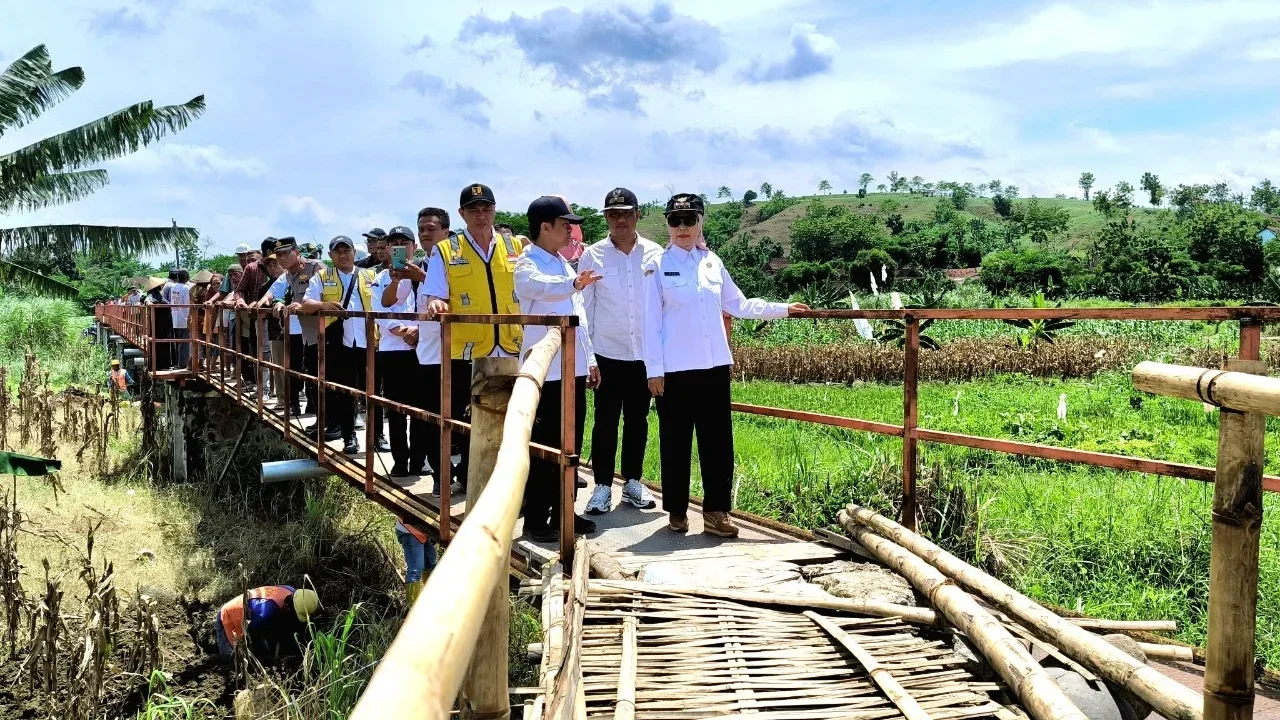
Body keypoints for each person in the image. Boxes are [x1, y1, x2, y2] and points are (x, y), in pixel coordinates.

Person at [643, 194, 809, 538]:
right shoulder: (657, 266)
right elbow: (649, 322)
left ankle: (716, 513)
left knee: (718, 442)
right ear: (668, 226)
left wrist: (783, 308)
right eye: (676, 221)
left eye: (689, 219)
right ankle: (676, 509)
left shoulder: (712, 263)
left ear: (701, 221)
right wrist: (653, 370)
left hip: (714, 367)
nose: (683, 227)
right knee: (675, 441)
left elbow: (739, 304)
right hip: (674, 370)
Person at [421, 184, 524, 492]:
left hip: (509, 345)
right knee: (462, 420)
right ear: (462, 214)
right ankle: (458, 477)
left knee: (508, 419)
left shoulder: (514, 246)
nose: (481, 215)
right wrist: (436, 304)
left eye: (486, 208)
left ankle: (496, 482)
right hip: (467, 348)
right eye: (474, 209)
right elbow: (433, 294)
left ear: (495, 210)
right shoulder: (447, 250)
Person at [514, 196, 601, 543]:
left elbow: (577, 318)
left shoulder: (563, 265)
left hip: (573, 369)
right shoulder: (527, 263)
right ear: (545, 227)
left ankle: (565, 509)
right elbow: (536, 288)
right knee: (545, 446)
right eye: (564, 225)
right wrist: (574, 283)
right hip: (546, 374)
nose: (570, 230)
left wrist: (590, 360)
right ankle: (536, 517)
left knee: (571, 446)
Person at [579, 188, 661, 515]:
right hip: (607, 355)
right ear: (605, 218)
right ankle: (601, 487)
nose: (620, 219)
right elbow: (584, 309)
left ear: (638, 214)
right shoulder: (592, 256)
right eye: (613, 214)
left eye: (626, 212)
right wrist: (589, 357)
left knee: (638, 421)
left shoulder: (656, 254)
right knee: (605, 420)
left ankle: (632, 482)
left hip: (644, 355)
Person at [301, 236, 377, 454]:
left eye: (347, 251)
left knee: (374, 391)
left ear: (354, 252)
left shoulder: (369, 275)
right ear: (330, 255)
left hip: (369, 340)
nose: (343, 255)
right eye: (338, 252)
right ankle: (349, 436)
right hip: (339, 342)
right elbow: (306, 304)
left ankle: (378, 435)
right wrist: (324, 304)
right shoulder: (322, 277)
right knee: (344, 391)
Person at [395, 208, 451, 493]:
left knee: (455, 420)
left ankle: (458, 474)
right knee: (428, 421)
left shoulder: (455, 260)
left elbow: (459, 302)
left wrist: (421, 277)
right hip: (426, 351)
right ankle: (443, 476)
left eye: (431, 228)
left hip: (452, 353)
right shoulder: (422, 263)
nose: (426, 233)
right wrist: (417, 329)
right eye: (422, 229)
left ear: (445, 231)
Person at [371, 226, 422, 473]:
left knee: (422, 409)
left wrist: (419, 331)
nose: (400, 247)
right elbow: (380, 312)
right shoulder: (381, 278)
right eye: (394, 243)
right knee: (397, 410)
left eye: (405, 242)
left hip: (424, 349)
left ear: (414, 246)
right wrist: (404, 331)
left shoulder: (427, 274)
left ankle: (420, 461)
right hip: (393, 350)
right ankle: (400, 461)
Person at [261, 238, 324, 419]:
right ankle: (295, 405)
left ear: (297, 252)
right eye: (279, 255)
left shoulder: (316, 268)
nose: (282, 258)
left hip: (316, 329)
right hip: (296, 328)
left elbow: (325, 295)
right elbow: (275, 292)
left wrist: (303, 306)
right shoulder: (287, 274)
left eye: (286, 254)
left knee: (315, 371)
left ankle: (317, 412)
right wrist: (279, 302)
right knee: (294, 368)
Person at [213, 585, 319, 659]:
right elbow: (252, 635)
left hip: (256, 614)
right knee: (233, 659)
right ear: (288, 607)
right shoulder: (266, 613)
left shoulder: (291, 590)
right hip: (229, 618)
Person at [232, 238, 278, 393]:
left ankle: (279, 391)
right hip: (256, 317)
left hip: (280, 317)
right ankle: (263, 388)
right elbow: (239, 290)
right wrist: (241, 302)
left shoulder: (286, 268)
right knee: (259, 352)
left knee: (282, 354)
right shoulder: (252, 268)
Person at [395, 518, 437, 604]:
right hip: (409, 530)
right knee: (415, 571)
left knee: (430, 564)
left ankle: (432, 601)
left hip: (422, 531)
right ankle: (413, 610)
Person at [142, 276, 173, 369]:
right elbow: (147, 300)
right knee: (160, 342)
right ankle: (161, 364)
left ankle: (161, 364)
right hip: (159, 322)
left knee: (161, 342)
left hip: (160, 321)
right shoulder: (152, 294)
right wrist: (150, 304)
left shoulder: (158, 294)